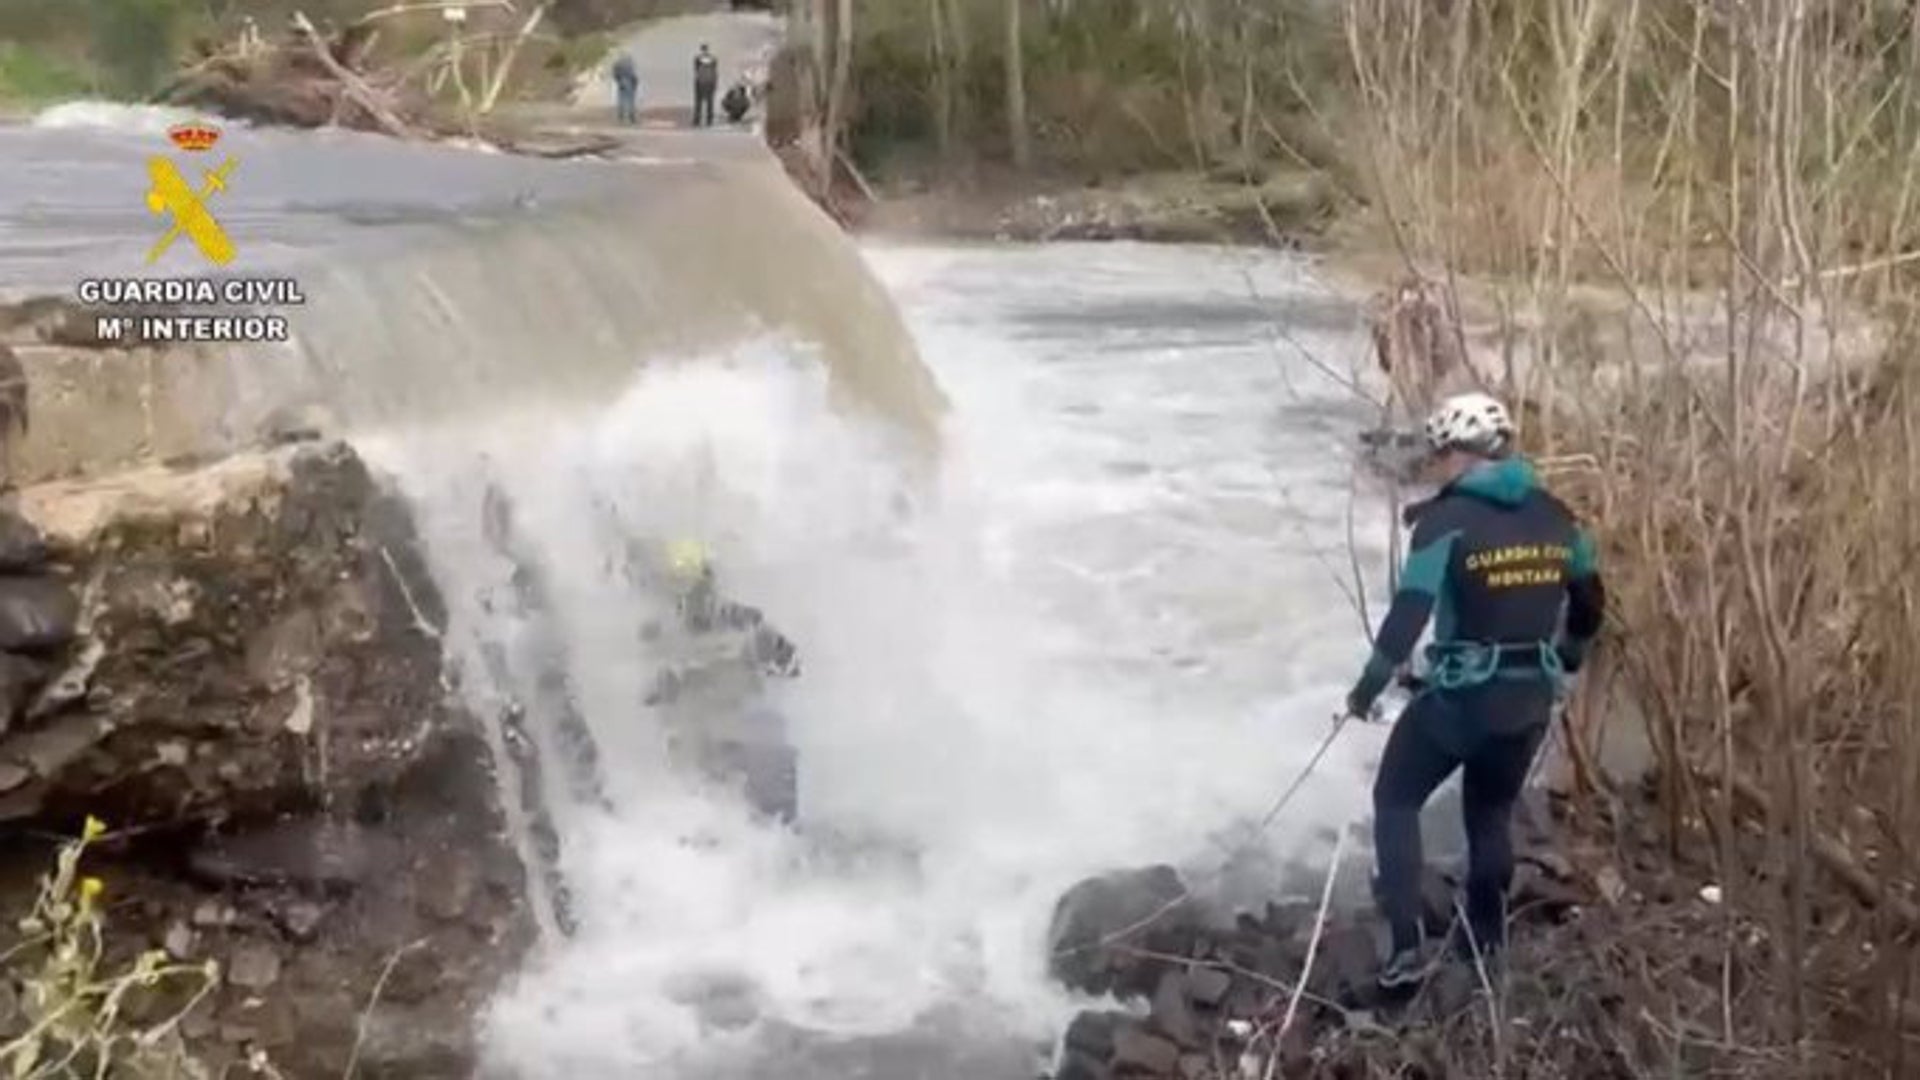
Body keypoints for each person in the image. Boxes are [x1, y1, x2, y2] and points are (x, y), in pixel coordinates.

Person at [1340, 392, 1606, 990]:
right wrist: (1566, 658)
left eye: (1439, 454)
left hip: (1462, 702)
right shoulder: (1559, 517)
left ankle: (1406, 948)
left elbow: (1409, 615)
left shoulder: (1444, 522)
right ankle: (1485, 943)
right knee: (1489, 814)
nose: (1435, 466)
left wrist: (1366, 691)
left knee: (1397, 799)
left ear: (1459, 453)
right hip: (1528, 701)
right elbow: (1590, 601)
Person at [645, 539, 802, 822]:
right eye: (682, 587)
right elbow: (650, 696)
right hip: (700, 746)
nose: (692, 595)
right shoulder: (661, 635)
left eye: (696, 585)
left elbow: (790, 663)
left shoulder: (744, 623)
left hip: (741, 741)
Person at [691, 44, 720, 128]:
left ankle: (697, 120)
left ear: (701, 50)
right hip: (710, 81)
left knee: (698, 101)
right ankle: (709, 120)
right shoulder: (713, 59)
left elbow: (696, 69)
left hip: (700, 81)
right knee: (710, 101)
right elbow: (715, 70)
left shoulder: (698, 59)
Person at [611, 51, 639, 125]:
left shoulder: (617, 63)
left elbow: (615, 74)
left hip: (622, 81)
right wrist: (635, 83)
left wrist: (618, 81)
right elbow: (633, 74)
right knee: (630, 99)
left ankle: (621, 115)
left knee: (622, 98)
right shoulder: (630, 63)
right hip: (629, 80)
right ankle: (631, 116)